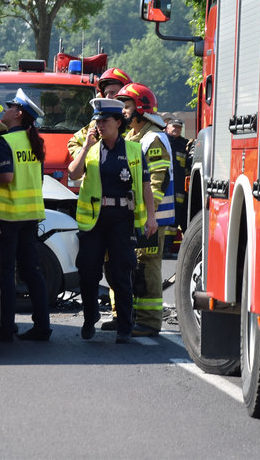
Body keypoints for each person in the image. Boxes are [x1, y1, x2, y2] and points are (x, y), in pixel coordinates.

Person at [68, 97, 156, 344]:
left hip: (122, 220)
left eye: (105, 120)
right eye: (97, 121)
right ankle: (89, 317)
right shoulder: (92, 150)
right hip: (94, 222)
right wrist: (85, 146)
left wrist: (151, 217)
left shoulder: (134, 151)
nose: (100, 125)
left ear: (119, 122)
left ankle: (125, 327)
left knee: (121, 272)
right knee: (88, 271)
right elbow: (73, 173)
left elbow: (146, 186)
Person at [0, 88, 53, 343]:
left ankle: (5, 328)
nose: (6, 108)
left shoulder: (6, 141)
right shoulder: (35, 142)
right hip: (31, 215)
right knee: (32, 271)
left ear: (19, 114)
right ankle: (43, 327)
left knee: (6, 273)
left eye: (11, 106)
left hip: (8, 216)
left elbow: (6, 177)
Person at [116, 82, 175, 338]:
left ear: (141, 108)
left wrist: (150, 216)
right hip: (140, 218)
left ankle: (150, 322)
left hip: (154, 220)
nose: (123, 111)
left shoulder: (153, 139)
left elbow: (158, 182)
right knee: (137, 267)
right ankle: (135, 319)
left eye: (126, 106)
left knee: (148, 267)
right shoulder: (134, 137)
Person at [67, 67, 132, 161]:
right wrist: (85, 157)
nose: (108, 97)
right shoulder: (95, 125)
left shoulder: (135, 124)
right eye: (106, 94)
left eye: (113, 92)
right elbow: (73, 143)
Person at [165, 115, 190, 257]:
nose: (176, 129)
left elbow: (187, 164)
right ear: (167, 127)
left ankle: (170, 248)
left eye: (179, 127)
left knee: (177, 218)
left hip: (179, 188)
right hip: (165, 186)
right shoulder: (162, 141)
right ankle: (164, 248)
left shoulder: (184, 144)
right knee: (165, 218)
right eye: (174, 126)